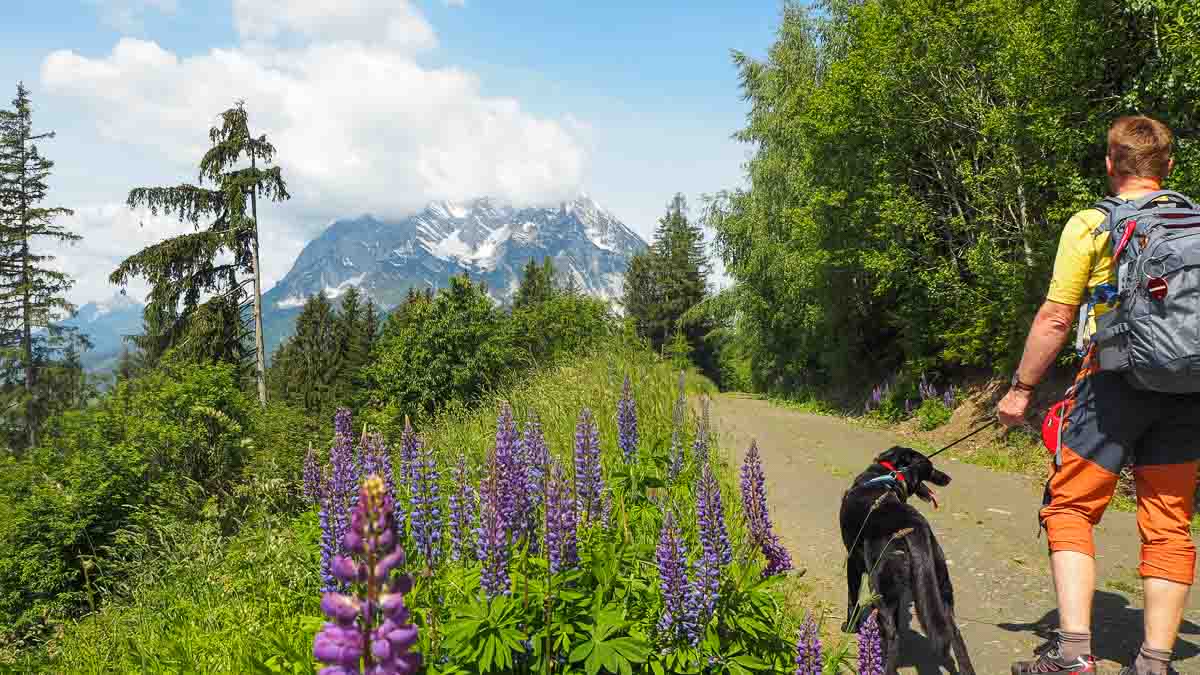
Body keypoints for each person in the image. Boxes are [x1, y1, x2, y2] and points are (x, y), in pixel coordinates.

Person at [999, 115, 1199, 675]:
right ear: (1170, 166)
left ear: (1111, 166)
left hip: (1112, 386)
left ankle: (1072, 655)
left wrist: (1021, 390)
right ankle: (1155, 662)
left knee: (1069, 508)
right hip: (1189, 392)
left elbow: (1057, 317)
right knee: (1169, 522)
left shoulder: (1091, 224)